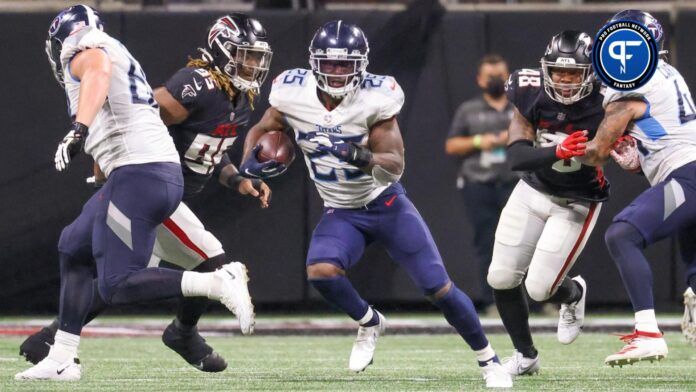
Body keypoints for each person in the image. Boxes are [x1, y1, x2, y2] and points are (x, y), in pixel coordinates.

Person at [238, 20, 512, 388]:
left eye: (344, 64)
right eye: (329, 64)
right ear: (314, 62)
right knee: (321, 272)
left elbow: (395, 166)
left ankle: (489, 360)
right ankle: (369, 322)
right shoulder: (292, 92)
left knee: (438, 288)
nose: (336, 73)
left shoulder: (376, 96)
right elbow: (261, 128)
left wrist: (353, 153)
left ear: (361, 65)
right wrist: (249, 165)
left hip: (384, 204)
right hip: (340, 210)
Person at [18, 13, 272, 373]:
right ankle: (60, 349)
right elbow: (146, 111)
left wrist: (236, 179)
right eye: (245, 55)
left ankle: (60, 341)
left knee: (118, 276)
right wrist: (105, 161)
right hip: (147, 179)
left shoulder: (239, 98)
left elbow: (212, 148)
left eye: (256, 58)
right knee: (78, 249)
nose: (252, 65)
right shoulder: (195, 85)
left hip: (148, 179)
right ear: (220, 49)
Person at [579, 10, 696, 366]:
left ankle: (646, 332)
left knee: (622, 235)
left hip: (688, 176)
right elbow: (661, 132)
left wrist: (554, 151)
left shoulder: (629, 85)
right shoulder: (665, 72)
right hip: (685, 171)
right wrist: (640, 157)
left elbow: (597, 152)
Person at [488, 30, 608, 376]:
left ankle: (572, 294)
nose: (566, 80)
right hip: (533, 189)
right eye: (559, 72)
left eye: (574, 73)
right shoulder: (529, 91)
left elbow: (611, 150)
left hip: (577, 199)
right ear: (546, 70)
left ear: (590, 73)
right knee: (500, 276)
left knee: (540, 288)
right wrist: (556, 150)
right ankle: (526, 357)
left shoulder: (607, 99)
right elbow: (516, 156)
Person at [445, 54, 517, 313]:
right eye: (491, 77)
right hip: (479, 183)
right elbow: (451, 144)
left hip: (515, 183)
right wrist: (479, 142)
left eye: (500, 76)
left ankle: (532, 301)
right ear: (479, 80)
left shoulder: (519, 106)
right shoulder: (469, 110)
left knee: (523, 242)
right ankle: (492, 301)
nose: (496, 81)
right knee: (487, 242)